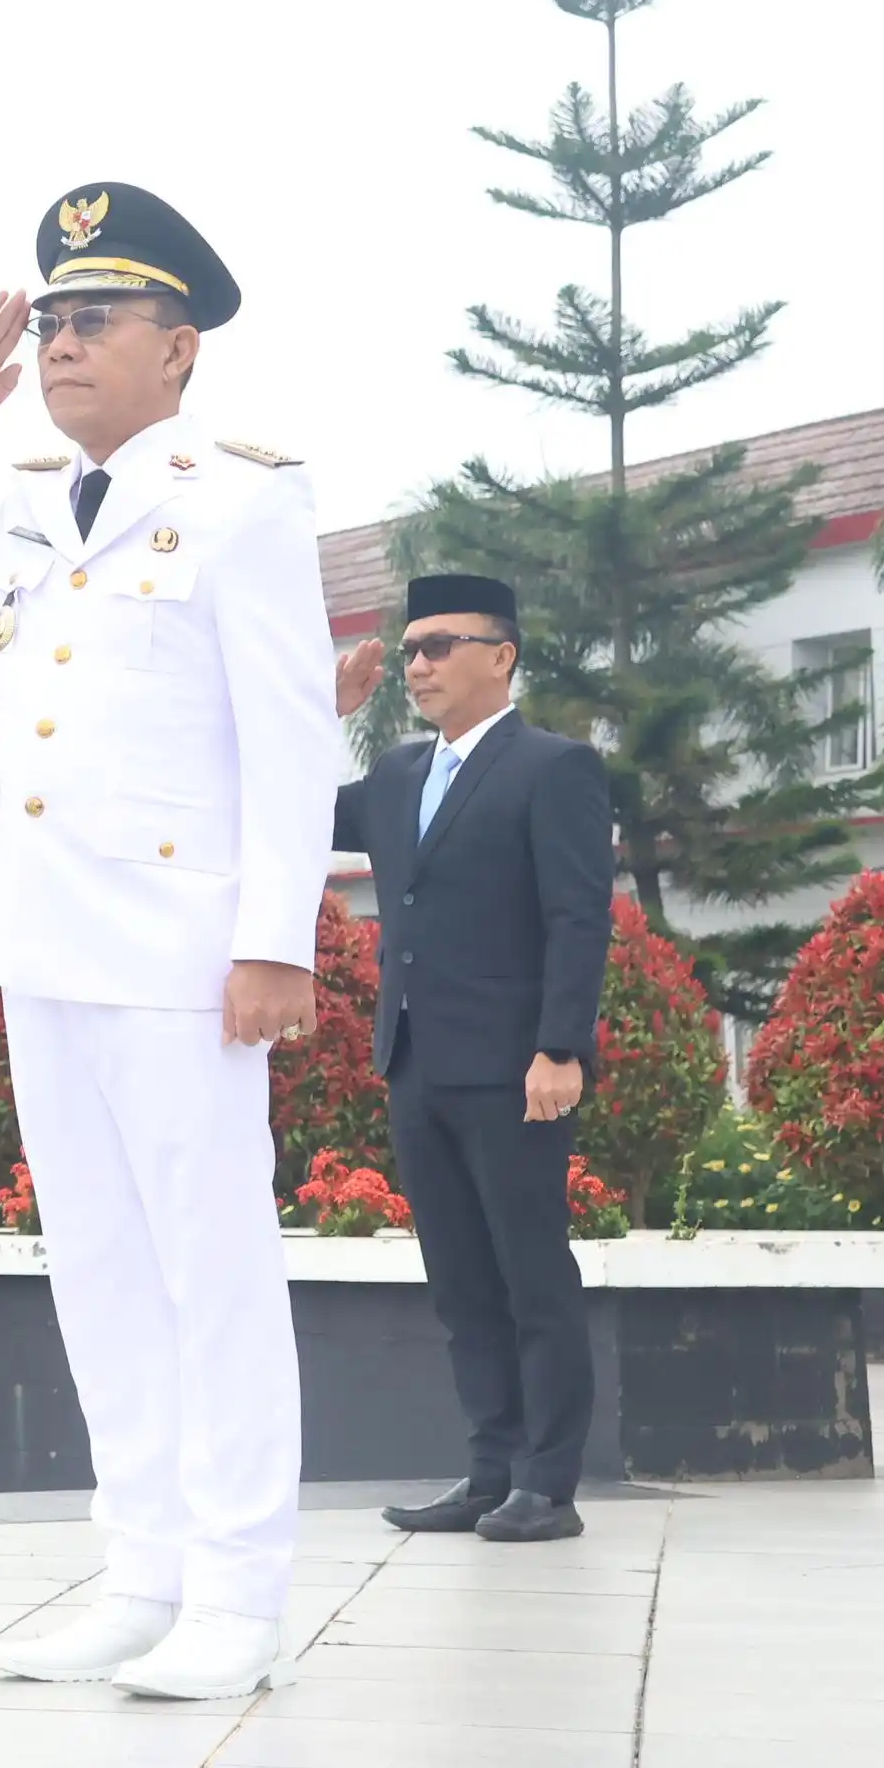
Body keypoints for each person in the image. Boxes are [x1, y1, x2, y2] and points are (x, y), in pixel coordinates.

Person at [0, 183, 333, 1701]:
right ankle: (142, 1572)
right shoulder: (19, 502)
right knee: (98, 1271)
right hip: (40, 935)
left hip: (183, 947)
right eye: (46, 319)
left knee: (212, 1271)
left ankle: (238, 1595)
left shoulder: (244, 499)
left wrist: (277, 939)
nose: (57, 343)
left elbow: (292, 735)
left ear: (179, 349)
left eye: (92, 318)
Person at [337, 573, 615, 1545]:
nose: (418, 664)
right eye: (410, 649)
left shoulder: (552, 768)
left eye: (440, 644)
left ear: (500, 655)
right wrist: (316, 715)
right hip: (415, 1062)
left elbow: (578, 917)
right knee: (458, 1282)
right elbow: (285, 812)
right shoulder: (396, 776)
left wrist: (559, 1046)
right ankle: (488, 1468)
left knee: (531, 1276)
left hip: (513, 1069)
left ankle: (548, 1482)